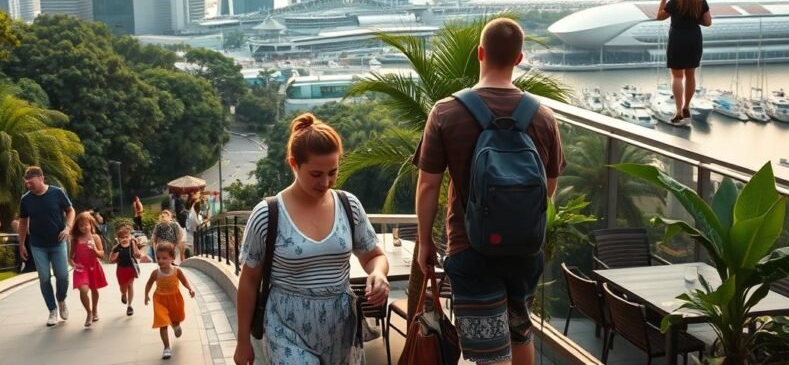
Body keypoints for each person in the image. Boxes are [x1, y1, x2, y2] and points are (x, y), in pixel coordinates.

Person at [414, 18, 565, 365]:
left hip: (470, 246)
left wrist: (425, 242)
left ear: (480, 52)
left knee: (487, 354)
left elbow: (427, 185)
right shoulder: (543, 115)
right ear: (520, 58)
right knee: (520, 334)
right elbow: (549, 185)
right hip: (526, 248)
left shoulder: (446, 112)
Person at [234, 113, 389, 365]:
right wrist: (242, 342)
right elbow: (249, 280)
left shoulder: (348, 205)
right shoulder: (267, 214)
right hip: (286, 327)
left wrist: (378, 274)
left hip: (341, 328)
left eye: (332, 172)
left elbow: (374, 256)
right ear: (294, 163)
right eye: (316, 174)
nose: (325, 182)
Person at [18, 166, 76, 327]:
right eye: (27, 183)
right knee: (44, 278)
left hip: (58, 242)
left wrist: (68, 228)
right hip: (37, 245)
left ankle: (61, 299)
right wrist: (21, 244)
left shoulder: (56, 193)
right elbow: (23, 222)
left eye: (31, 182)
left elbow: (70, 210)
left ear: (42, 178)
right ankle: (52, 310)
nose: (29, 185)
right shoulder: (26, 199)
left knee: (63, 276)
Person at [658, 0, 712, 124]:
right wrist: (694, 19)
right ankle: (687, 106)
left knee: (677, 76)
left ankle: (678, 110)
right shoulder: (701, 1)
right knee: (690, 75)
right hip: (694, 38)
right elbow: (708, 22)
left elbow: (659, 16)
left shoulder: (675, 2)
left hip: (677, 39)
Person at [145, 241, 196, 360]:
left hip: (175, 299)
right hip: (160, 300)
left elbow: (184, 281)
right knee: (163, 323)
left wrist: (190, 289)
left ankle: (176, 326)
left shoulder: (176, 271)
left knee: (175, 320)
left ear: (172, 258)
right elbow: (149, 284)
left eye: (164, 258)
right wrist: (146, 294)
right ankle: (166, 347)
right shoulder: (155, 273)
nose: (160, 261)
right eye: (158, 258)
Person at [68, 211, 108, 327]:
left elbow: (101, 254)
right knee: (84, 290)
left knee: (94, 290)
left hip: (93, 267)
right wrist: (74, 265)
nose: (84, 227)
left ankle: (95, 310)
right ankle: (88, 312)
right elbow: (70, 258)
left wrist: (94, 250)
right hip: (81, 269)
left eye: (86, 224)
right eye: (81, 225)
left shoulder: (95, 238)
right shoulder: (75, 240)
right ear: (77, 227)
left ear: (91, 224)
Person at [109, 224, 142, 316]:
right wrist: (115, 257)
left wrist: (134, 244)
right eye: (122, 237)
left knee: (130, 285)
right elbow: (110, 260)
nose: (124, 239)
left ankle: (129, 306)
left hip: (131, 268)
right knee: (123, 287)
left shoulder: (132, 245)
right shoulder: (116, 248)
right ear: (118, 239)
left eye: (126, 237)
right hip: (121, 270)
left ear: (130, 237)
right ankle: (123, 294)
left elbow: (138, 255)